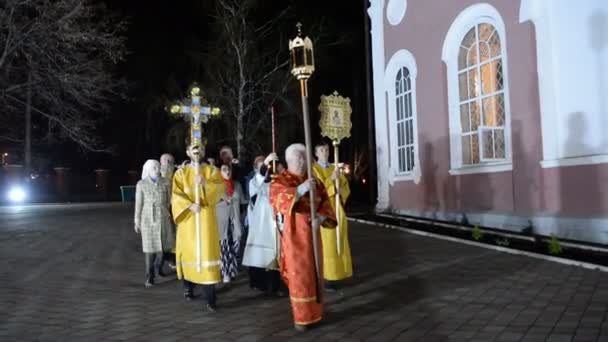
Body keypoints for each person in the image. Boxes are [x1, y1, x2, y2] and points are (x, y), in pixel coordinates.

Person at [270, 143, 336, 331]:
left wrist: (321, 217)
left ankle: (316, 313)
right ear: (289, 160)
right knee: (300, 275)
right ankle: (301, 317)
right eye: (298, 158)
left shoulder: (313, 179)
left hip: (313, 234)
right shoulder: (281, 179)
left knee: (315, 274)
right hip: (295, 234)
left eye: (304, 158)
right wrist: (300, 190)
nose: (301, 162)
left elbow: (326, 202)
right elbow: (277, 199)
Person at [172, 144, 225, 312]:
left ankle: (211, 298)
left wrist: (204, 183)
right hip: (189, 221)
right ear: (187, 152)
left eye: (199, 149)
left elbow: (219, 189)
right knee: (189, 253)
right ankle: (188, 287)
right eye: (193, 149)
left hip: (206, 220)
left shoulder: (211, 171)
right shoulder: (180, 173)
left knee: (207, 255)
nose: (197, 152)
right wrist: (188, 206)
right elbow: (176, 195)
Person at [312, 142, 353, 291]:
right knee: (328, 243)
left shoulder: (333, 167)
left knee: (339, 241)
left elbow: (345, 187)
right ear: (316, 153)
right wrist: (331, 181)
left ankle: (337, 274)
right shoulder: (314, 169)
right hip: (324, 210)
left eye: (327, 149)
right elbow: (318, 189)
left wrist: (340, 187)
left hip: (337, 209)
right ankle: (326, 277)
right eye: (321, 150)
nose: (325, 152)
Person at [242, 154, 283, 296]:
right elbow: (258, 183)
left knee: (275, 254)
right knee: (259, 256)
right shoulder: (254, 182)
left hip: (274, 224)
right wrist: (265, 165)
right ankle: (259, 284)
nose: (266, 170)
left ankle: (275, 286)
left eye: (267, 167)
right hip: (260, 226)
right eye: (262, 167)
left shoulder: (276, 183)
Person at [134, 159, 174, 287]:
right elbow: (139, 204)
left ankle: (158, 267)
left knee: (163, 248)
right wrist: (137, 221)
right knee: (150, 250)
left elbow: (169, 200)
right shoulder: (141, 184)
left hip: (163, 218)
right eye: (154, 168)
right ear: (148, 170)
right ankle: (149, 277)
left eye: (158, 167)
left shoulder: (166, 182)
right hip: (148, 220)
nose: (158, 170)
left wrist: (168, 214)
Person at [215, 163, 245, 283]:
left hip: (235, 219)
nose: (227, 172)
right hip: (222, 220)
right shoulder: (216, 186)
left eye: (229, 170)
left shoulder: (237, 185)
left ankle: (230, 266)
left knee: (237, 240)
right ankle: (226, 272)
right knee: (224, 245)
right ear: (220, 172)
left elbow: (243, 201)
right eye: (224, 170)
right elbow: (211, 201)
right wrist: (222, 199)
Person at [160, 153, 177, 269]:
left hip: (174, 207)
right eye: (165, 160)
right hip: (162, 209)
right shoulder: (156, 174)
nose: (167, 163)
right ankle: (162, 259)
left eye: (170, 161)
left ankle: (173, 258)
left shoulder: (176, 175)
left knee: (174, 234)